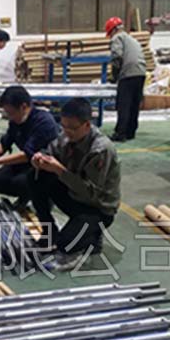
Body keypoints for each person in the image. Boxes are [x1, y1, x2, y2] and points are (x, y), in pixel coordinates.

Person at [29, 97, 121, 272]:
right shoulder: (66, 137)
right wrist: (39, 158)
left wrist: (60, 170)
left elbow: (91, 193)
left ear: (87, 125)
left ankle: (92, 235)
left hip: (97, 207)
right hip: (74, 195)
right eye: (63, 126)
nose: (67, 132)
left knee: (64, 244)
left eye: (72, 128)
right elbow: (50, 151)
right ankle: (51, 231)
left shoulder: (100, 149)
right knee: (35, 177)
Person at [0, 85, 59, 205]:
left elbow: (28, 154)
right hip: (26, 163)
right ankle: (27, 195)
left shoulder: (44, 122)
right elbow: (5, 143)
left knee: (22, 182)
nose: (9, 117)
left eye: (11, 113)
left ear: (23, 107)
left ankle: (43, 197)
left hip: (44, 167)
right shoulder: (16, 121)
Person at [105, 17, 147, 142]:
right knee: (134, 104)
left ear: (113, 30)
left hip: (128, 73)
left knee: (124, 104)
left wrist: (114, 75)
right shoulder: (132, 39)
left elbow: (117, 57)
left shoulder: (117, 38)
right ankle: (130, 132)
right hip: (141, 72)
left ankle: (120, 133)